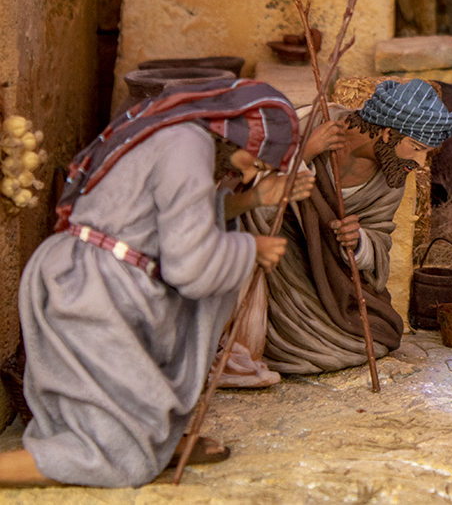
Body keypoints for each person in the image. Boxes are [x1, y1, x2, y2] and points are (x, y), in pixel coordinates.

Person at [0, 79, 302, 487]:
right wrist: (250, 248)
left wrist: (250, 202)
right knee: (111, 458)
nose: (249, 171)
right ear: (237, 132)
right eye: (258, 160)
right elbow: (189, 264)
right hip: (94, 290)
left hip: (98, 277)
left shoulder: (174, 134)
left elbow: (163, 223)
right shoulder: (186, 147)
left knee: (135, 406)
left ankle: (146, 443)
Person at [220, 79, 452, 385]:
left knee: (375, 337)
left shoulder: (390, 177)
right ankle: (259, 336)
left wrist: (358, 242)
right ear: (387, 133)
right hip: (274, 259)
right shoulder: (315, 123)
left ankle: (302, 339)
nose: (421, 163)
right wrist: (305, 151)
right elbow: (246, 182)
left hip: (327, 277)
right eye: (417, 149)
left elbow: (379, 236)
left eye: (427, 153)